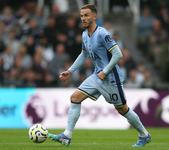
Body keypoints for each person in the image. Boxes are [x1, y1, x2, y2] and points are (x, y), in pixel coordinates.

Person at [48, 4, 151, 147]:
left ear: (95, 17)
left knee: (122, 109)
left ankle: (144, 135)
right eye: (82, 15)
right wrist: (70, 71)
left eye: (87, 15)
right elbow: (84, 55)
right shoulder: (84, 35)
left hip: (110, 78)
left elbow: (118, 54)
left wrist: (105, 71)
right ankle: (67, 135)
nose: (83, 18)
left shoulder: (103, 33)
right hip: (97, 76)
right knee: (75, 98)